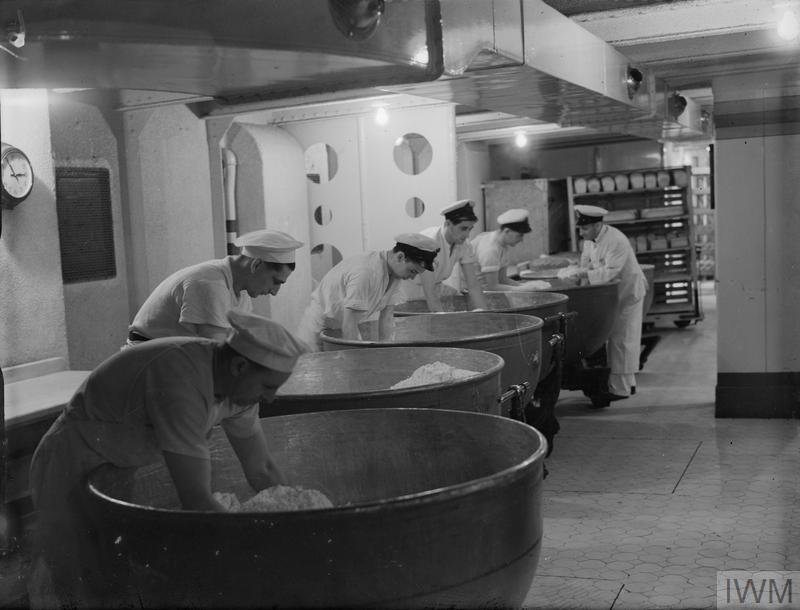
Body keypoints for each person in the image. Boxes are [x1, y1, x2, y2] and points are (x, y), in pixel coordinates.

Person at [28, 310, 307, 609]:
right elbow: (197, 500)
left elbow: (261, 469)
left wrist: (302, 529)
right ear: (239, 366)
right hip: (72, 461)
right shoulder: (182, 379)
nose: (272, 398)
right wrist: (254, 553)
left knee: (111, 572)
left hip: (118, 465)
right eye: (268, 387)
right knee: (74, 572)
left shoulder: (239, 390)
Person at [127, 229, 303, 344]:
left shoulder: (240, 292)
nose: (274, 292)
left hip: (175, 361)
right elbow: (215, 351)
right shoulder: (211, 284)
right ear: (256, 265)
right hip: (149, 363)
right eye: (276, 282)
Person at [295, 233, 439, 351]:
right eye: (412, 271)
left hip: (343, 326)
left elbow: (387, 318)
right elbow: (349, 324)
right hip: (319, 328)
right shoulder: (366, 272)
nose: (412, 277)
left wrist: (387, 352)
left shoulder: (395, 275)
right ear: (400, 257)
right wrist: (355, 365)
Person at [572, 204, 647, 401]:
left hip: (628, 292)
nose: (581, 232)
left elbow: (610, 272)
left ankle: (620, 390)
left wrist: (582, 275)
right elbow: (585, 261)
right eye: (580, 228)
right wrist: (580, 274)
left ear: (597, 226)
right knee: (619, 338)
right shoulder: (590, 239)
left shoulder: (616, 240)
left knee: (622, 339)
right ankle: (627, 385)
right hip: (615, 294)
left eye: (585, 228)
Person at [398, 199, 489, 312]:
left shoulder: (464, 244)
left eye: (470, 229)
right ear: (448, 224)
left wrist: (484, 313)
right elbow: (429, 291)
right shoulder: (429, 243)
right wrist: (441, 319)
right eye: (463, 228)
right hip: (410, 293)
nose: (467, 234)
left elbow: (473, 284)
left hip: (435, 288)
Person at [467, 208, 533, 290]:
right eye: (519, 235)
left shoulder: (502, 244)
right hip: (476, 294)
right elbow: (492, 287)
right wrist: (524, 289)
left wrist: (525, 286)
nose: (521, 240)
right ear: (507, 231)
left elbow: (502, 279)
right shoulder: (490, 250)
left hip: (486, 292)